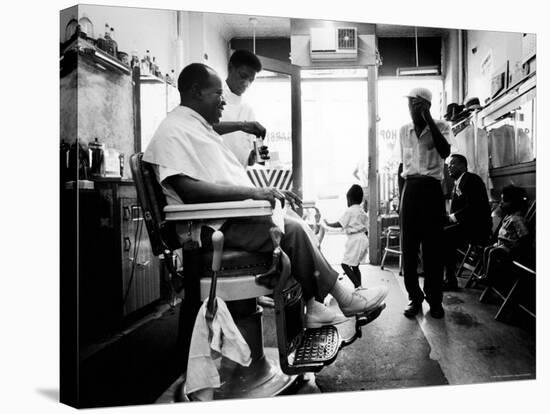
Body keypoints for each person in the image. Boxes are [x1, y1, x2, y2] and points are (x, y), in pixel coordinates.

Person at [143, 63, 388, 330]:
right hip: (205, 229)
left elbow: (217, 133)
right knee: (292, 230)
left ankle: (314, 305)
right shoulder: (173, 130)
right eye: (217, 93)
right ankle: (345, 298)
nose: (224, 100)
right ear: (195, 91)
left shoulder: (195, 127)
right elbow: (189, 192)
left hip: (223, 221)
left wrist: (246, 131)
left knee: (291, 218)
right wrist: (254, 192)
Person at [399, 87, 451, 319]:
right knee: (409, 249)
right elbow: (403, 166)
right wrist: (402, 197)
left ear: (426, 105)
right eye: (410, 104)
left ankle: (435, 300)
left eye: (416, 104)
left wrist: (428, 118)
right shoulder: (403, 130)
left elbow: (445, 151)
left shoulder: (442, 127)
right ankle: (414, 298)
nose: (411, 108)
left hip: (431, 191)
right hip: (410, 189)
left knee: (433, 249)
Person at [443, 153, 492, 290]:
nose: (449, 167)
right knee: (437, 230)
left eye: (453, 164)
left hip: (478, 228)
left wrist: (452, 217)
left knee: (445, 236)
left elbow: (474, 207)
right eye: (448, 165)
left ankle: (450, 280)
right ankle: (440, 275)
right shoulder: (458, 182)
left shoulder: (471, 180)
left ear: (463, 166)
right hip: (466, 225)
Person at [212, 50, 268, 167]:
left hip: (237, 177)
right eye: (243, 76)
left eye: (250, 80)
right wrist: (241, 125)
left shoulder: (247, 110)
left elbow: (248, 159)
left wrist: (254, 156)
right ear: (230, 68)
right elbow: (203, 127)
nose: (246, 83)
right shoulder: (213, 98)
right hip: (213, 174)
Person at [324, 185, 369, 288]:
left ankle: (358, 286)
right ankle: (359, 287)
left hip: (355, 240)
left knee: (345, 265)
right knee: (355, 266)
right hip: (363, 238)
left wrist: (328, 224)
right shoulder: (362, 211)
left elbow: (340, 223)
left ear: (350, 199)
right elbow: (366, 228)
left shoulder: (350, 211)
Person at [483, 185, 529, 283]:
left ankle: (490, 278)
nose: (501, 203)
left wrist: (516, 247)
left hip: (511, 249)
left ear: (514, 203)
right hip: (503, 246)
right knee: (487, 249)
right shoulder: (509, 216)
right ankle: (486, 274)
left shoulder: (517, 219)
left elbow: (525, 237)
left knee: (493, 252)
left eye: (504, 201)